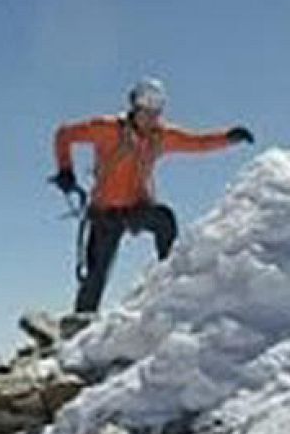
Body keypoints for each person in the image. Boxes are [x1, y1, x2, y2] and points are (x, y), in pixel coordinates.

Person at [50, 77, 254, 313]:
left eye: (155, 113)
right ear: (134, 108)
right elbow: (64, 135)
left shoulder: (160, 136)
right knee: (96, 274)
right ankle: (81, 320)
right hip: (105, 214)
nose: (150, 119)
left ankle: (171, 283)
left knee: (164, 219)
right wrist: (65, 170)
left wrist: (228, 138)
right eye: (146, 112)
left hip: (136, 208)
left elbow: (197, 142)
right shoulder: (108, 129)